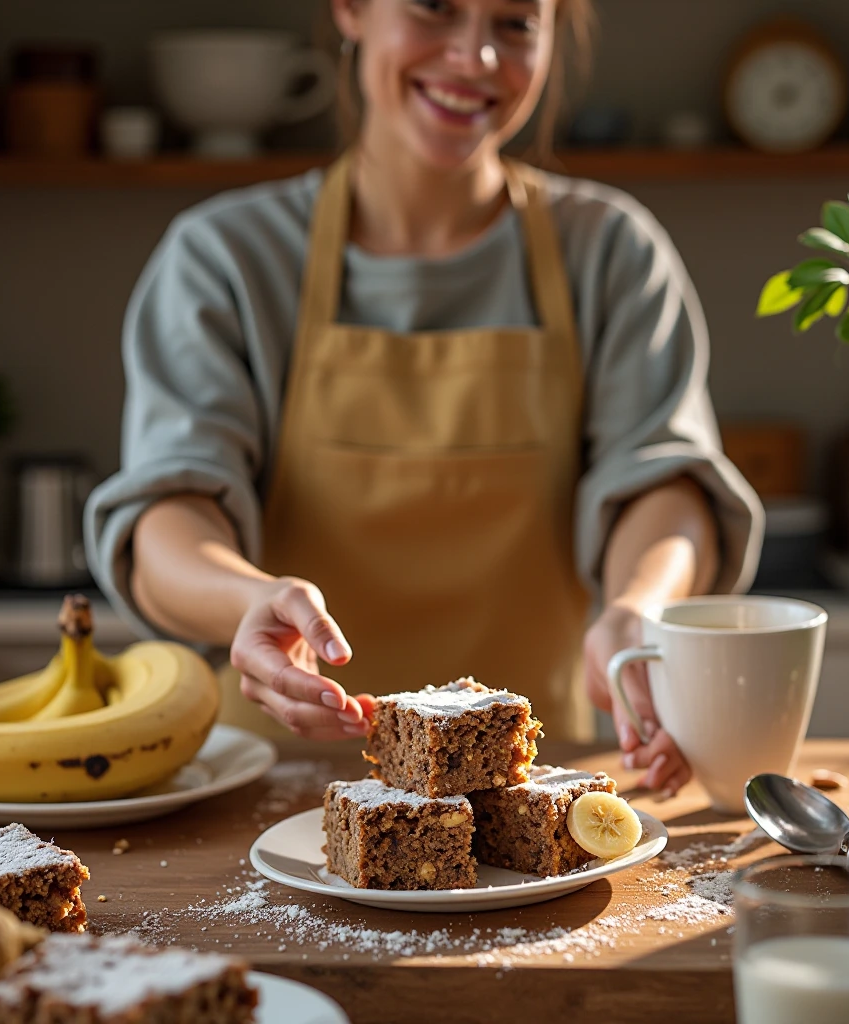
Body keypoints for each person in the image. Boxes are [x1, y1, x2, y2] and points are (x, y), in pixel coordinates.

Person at [86, 0, 763, 798]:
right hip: (276, 788)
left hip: (532, 785)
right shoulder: (225, 258)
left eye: (514, 25)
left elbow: (660, 478)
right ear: (350, 11)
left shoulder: (611, 251)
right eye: (434, 9)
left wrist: (636, 611)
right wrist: (245, 599)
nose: (474, 57)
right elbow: (171, 509)